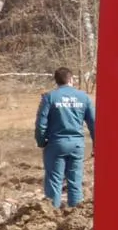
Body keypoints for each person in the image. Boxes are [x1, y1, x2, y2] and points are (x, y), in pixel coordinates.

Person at [35, 67, 95, 209]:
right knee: (75, 180)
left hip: (56, 144)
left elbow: (41, 124)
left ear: (56, 81)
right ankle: (75, 214)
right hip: (77, 145)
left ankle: (51, 213)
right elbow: (94, 123)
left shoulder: (49, 97)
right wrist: (96, 145)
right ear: (71, 79)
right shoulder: (84, 97)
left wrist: (41, 141)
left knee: (54, 180)